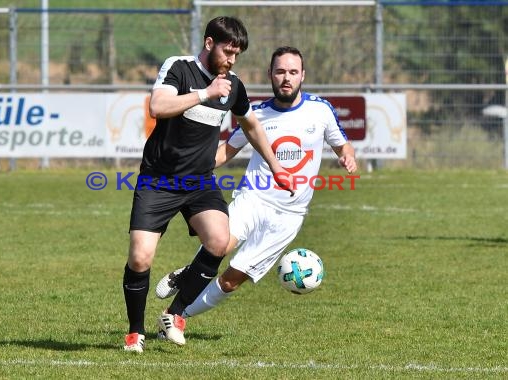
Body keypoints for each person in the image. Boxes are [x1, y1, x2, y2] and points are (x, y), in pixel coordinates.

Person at [155, 46, 357, 339]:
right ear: (270, 75)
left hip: (290, 215)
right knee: (219, 246)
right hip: (253, 199)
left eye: (292, 72)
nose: (286, 78)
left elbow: (343, 144)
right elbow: (226, 150)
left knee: (231, 280)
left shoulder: (321, 110)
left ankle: (179, 308)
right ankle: (175, 316)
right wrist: (191, 167)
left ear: (302, 75)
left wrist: (347, 156)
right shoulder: (256, 113)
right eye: (280, 72)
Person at [122, 17, 295, 353]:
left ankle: (173, 314)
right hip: (158, 179)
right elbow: (158, 107)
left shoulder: (234, 86)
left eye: (237, 55)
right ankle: (135, 332)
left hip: (199, 181)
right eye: (227, 52)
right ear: (209, 42)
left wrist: (276, 167)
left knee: (218, 242)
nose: (231, 60)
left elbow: (253, 127)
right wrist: (205, 93)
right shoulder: (180, 68)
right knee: (141, 259)